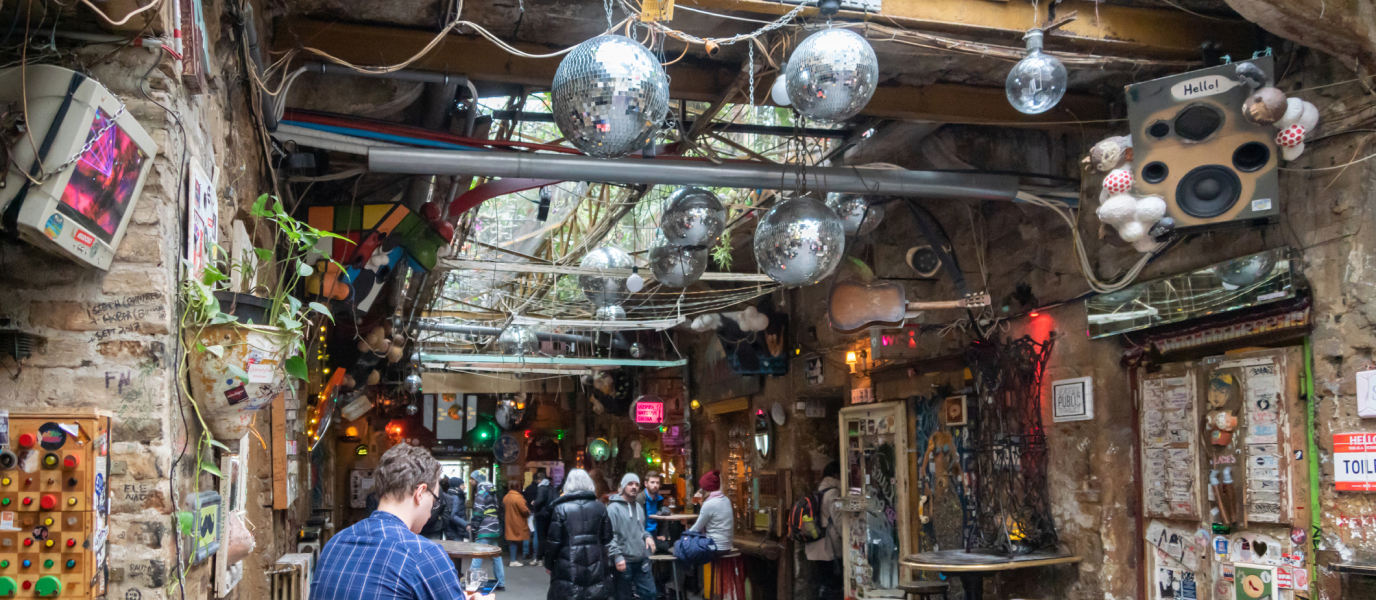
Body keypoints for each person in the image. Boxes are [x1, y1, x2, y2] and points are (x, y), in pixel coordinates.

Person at [311, 444, 462, 600]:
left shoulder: (334, 543)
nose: (430, 513)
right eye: (434, 501)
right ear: (420, 493)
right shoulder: (424, 554)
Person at [544, 469, 614, 600]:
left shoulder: (560, 509)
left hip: (568, 565)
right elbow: (607, 537)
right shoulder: (600, 507)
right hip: (596, 563)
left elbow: (553, 542)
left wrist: (549, 564)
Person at [608, 473, 657, 600]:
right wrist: (617, 556)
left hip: (641, 560)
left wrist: (647, 536)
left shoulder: (639, 507)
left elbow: (641, 530)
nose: (634, 487)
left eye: (636, 484)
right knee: (623, 597)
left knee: (650, 594)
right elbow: (609, 536)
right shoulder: (613, 509)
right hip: (624, 561)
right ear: (624, 486)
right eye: (630, 484)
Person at [805, 461, 843, 600]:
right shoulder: (833, 493)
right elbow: (839, 521)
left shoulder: (818, 492)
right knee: (834, 584)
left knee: (824, 583)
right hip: (830, 548)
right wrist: (849, 539)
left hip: (816, 546)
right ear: (836, 475)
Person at [469, 471, 506, 591]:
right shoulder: (492, 491)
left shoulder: (481, 493)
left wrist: (474, 527)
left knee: (477, 555)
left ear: (477, 480)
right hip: (494, 527)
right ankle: (501, 582)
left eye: (472, 479)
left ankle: (473, 584)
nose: (470, 481)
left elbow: (478, 512)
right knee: (496, 556)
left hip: (484, 528)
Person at [689, 470, 733, 552]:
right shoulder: (726, 500)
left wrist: (684, 535)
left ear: (705, 489)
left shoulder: (709, 503)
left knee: (683, 548)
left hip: (714, 547)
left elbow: (696, 529)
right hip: (727, 547)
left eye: (701, 487)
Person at [524, 470, 553, 564]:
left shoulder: (540, 487)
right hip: (548, 514)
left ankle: (538, 557)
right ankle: (545, 557)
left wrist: (534, 502)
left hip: (540, 514)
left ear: (538, 480)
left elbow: (539, 500)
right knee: (546, 536)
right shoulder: (550, 487)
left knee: (539, 536)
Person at [636, 472, 670, 553]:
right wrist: (645, 536)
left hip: (656, 536)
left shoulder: (660, 499)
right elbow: (636, 523)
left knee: (671, 546)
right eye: (652, 482)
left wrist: (662, 534)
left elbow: (664, 519)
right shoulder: (639, 499)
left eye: (657, 483)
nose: (655, 485)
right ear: (646, 484)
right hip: (642, 537)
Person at [504, 480, 532, 566]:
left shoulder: (506, 497)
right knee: (515, 540)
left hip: (509, 521)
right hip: (518, 522)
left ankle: (513, 559)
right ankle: (514, 560)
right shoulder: (518, 498)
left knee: (512, 540)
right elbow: (524, 510)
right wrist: (528, 512)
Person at [444, 476, 468, 541]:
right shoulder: (455, 497)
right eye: (462, 485)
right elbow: (453, 516)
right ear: (457, 486)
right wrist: (466, 524)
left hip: (454, 531)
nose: (464, 486)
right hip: (455, 531)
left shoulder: (456, 495)